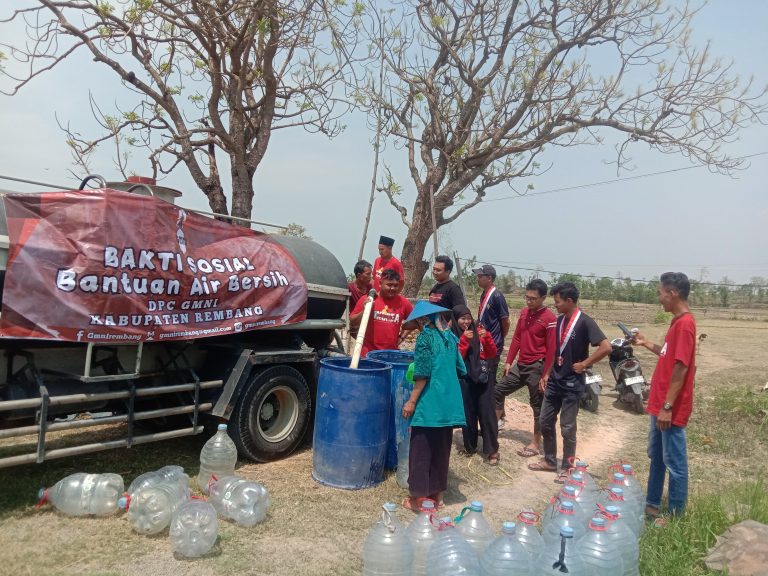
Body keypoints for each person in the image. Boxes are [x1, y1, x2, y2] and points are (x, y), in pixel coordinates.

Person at [528, 282, 611, 482]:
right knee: (545, 421)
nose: (554, 305)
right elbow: (556, 351)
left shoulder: (585, 322)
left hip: (572, 383)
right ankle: (549, 461)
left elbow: (606, 347)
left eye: (557, 301)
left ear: (569, 301)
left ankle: (567, 466)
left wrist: (585, 363)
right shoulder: (559, 321)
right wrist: (547, 373)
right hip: (555, 380)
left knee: (567, 426)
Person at [632, 272, 696, 518]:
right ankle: (652, 504)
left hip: (670, 408)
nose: (660, 299)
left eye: (661, 293)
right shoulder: (676, 322)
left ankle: (675, 516)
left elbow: (682, 367)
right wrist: (645, 343)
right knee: (657, 458)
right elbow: (669, 355)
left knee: (675, 464)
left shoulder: (686, 325)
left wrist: (668, 406)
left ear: (673, 293)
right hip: (660, 404)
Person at [401, 301, 467, 511]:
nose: (417, 327)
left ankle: (418, 500)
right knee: (441, 449)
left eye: (418, 322)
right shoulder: (450, 337)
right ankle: (437, 497)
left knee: (421, 450)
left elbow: (422, 373)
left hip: (430, 402)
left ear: (423, 320)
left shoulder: (425, 338)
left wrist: (411, 401)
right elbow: (460, 368)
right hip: (448, 402)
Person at [495, 279, 557, 458]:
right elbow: (516, 338)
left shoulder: (549, 319)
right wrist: (508, 361)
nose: (529, 302)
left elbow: (552, 349)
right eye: (527, 297)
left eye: (533, 299)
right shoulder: (523, 313)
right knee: (497, 391)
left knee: (537, 405)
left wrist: (546, 374)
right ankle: (494, 427)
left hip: (537, 366)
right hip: (520, 365)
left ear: (543, 298)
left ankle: (536, 442)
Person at [452, 304, 500, 465]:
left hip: (483, 378)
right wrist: (464, 340)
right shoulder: (452, 335)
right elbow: (456, 358)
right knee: (468, 413)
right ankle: (470, 446)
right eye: (462, 318)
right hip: (465, 379)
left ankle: (492, 451)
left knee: (487, 413)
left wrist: (486, 338)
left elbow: (492, 353)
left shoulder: (480, 331)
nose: (466, 321)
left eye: (468, 318)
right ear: (455, 319)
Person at [349, 268, 413, 357]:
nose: (393, 288)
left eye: (395, 285)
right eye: (389, 285)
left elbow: (415, 320)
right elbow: (352, 321)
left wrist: (402, 337)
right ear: (380, 284)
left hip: (390, 355)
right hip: (368, 355)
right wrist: (364, 311)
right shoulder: (367, 299)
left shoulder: (403, 303)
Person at [472, 264, 510, 404]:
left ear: (489, 278)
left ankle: (497, 412)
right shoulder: (484, 294)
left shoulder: (497, 296)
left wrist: (499, 338)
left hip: (492, 343)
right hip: (483, 342)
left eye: (480, 276)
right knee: (484, 374)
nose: (478, 278)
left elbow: (505, 321)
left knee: (491, 377)